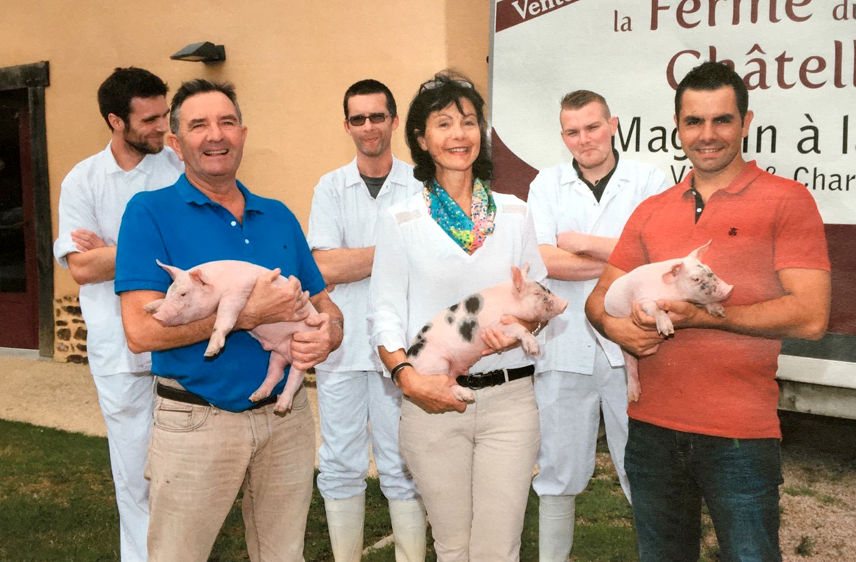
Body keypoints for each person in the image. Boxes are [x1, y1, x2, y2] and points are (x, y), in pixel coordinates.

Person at [585, 61, 831, 561]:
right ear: (677, 128)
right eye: (694, 121)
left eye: (722, 120)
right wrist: (616, 328)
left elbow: (810, 316)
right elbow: (598, 298)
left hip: (739, 434)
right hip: (652, 429)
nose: (708, 134)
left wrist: (705, 316)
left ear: (746, 122)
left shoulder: (787, 201)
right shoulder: (653, 209)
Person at [115, 79, 343, 561]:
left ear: (243, 133)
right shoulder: (148, 212)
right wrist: (247, 315)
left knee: (284, 556)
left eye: (226, 122)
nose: (215, 135)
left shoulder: (277, 215)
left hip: (287, 422)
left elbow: (326, 306)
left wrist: (327, 337)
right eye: (198, 125)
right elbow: (139, 332)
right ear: (176, 143)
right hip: (196, 419)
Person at [369, 71, 545, 561]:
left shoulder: (514, 213)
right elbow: (382, 312)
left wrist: (523, 328)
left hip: (510, 402)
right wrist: (407, 378)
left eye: (468, 122)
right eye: (443, 124)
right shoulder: (402, 218)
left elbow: (536, 301)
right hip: (433, 399)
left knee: (498, 548)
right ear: (422, 140)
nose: (458, 134)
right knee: (452, 546)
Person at [526, 90, 667, 561]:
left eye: (592, 127)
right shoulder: (546, 184)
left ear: (612, 124)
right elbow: (543, 259)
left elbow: (659, 255)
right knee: (557, 472)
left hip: (633, 343)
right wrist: (625, 257)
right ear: (562, 135)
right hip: (564, 349)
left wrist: (581, 242)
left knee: (643, 470)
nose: (583, 139)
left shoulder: (650, 177)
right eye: (572, 131)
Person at [52, 66, 182, 562]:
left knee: (185, 469)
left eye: (163, 114)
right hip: (117, 346)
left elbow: (192, 249)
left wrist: (117, 249)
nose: (161, 127)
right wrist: (154, 246)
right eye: (149, 119)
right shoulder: (82, 179)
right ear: (115, 120)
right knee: (132, 472)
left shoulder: (177, 168)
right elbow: (82, 267)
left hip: (180, 339)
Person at [307, 79, 425, 561]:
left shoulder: (422, 184)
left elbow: (431, 262)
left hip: (404, 344)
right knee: (339, 462)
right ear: (347, 125)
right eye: (359, 118)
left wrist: (354, 260)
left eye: (378, 116)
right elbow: (324, 267)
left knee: (403, 463)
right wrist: (400, 250)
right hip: (344, 344)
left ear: (394, 120)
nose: (369, 127)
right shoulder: (331, 187)